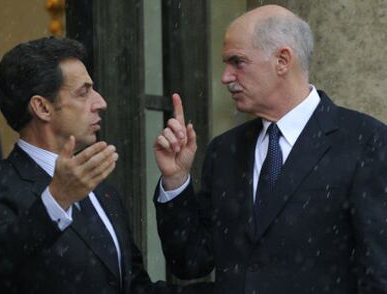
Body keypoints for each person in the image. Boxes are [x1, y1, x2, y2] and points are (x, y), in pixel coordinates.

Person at [153, 4, 387, 294]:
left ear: (282, 60)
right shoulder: (225, 151)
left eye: (237, 62)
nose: (225, 77)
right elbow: (191, 261)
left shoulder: (367, 141)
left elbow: (379, 272)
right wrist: (176, 181)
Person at [0, 37, 211, 294]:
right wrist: (55, 201)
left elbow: (134, 289)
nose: (101, 102)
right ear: (42, 107)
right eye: (84, 92)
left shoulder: (102, 192)